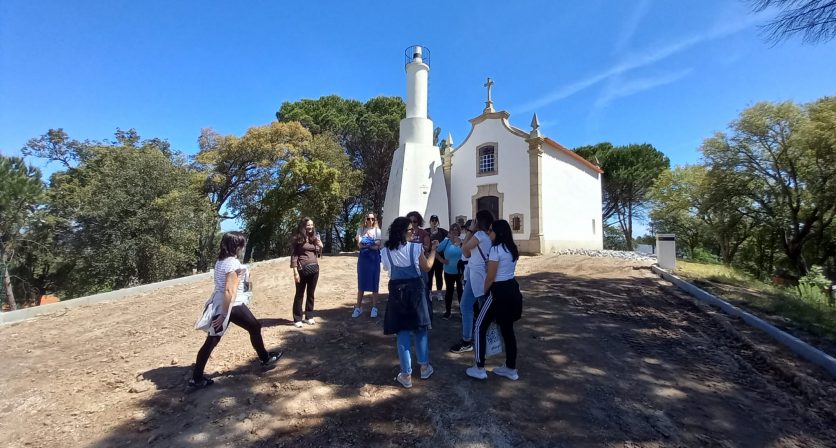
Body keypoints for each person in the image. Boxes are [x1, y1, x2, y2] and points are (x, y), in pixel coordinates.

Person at [191, 231, 282, 389]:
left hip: (223, 303)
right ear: (236, 245)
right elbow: (229, 291)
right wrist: (224, 315)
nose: (243, 246)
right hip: (231, 305)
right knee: (251, 327)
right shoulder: (232, 263)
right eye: (242, 243)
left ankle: (197, 377)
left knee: (214, 339)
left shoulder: (222, 261)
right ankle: (265, 359)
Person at [381, 216, 439, 388]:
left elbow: (387, 269)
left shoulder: (385, 251)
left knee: (402, 331)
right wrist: (434, 250)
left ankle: (406, 374)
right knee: (420, 329)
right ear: (401, 232)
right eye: (410, 230)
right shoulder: (415, 248)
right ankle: (424, 367)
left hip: (397, 292)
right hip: (415, 291)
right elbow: (427, 267)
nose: (413, 232)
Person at [467, 219, 523, 381]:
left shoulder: (496, 250)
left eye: (491, 230)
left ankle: (479, 367)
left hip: (498, 291)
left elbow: (490, 277)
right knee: (507, 330)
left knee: (479, 325)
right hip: (512, 289)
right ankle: (511, 368)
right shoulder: (511, 249)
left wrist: (484, 293)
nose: (489, 233)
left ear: (498, 232)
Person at [450, 211, 494, 353]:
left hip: (477, 276)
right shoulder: (489, 236)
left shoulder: (479, 235)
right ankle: (474, 338)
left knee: (472, 306)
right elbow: (468, 253)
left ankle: (471, 340)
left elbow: (464, 250)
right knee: (473, 306)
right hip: (480, 275)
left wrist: (469, 230)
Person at [290, 217, 323, 328]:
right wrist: (295, 272)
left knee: (311, 294)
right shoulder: (298, 238)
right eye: (308, 225)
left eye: (312, 225)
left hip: (314, 269)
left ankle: (309, 316)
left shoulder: (314, 238)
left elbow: (317, 253)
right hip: (301, 270)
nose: (311, 227)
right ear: (303, 226)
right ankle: (297, 319)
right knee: (299, 294)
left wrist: (319, 246)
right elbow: (294, 255)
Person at [353, 212, 382, 318]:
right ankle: (358, 307)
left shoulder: (377, 231)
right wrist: (371, 243)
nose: (370, 221)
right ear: (365, 219)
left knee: (374, 282)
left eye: (372, 219)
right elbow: (360, 245)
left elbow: (378, 245)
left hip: (374, 259)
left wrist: (367, 243)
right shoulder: (360, 230)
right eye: (369, 219)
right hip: (363, 259)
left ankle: (374, 308)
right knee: (361, 282)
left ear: (375, 220)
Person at [436, 222, 463, 320]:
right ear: (450, 231)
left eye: (457, 229)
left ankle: (462, 311)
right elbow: (436, 251)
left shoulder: (462, 242)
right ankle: (448, 312)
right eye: (453, 229)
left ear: (459, 231)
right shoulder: (446, 242)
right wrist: (442, 260)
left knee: (461, 292)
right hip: (448, 271)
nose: (455, 231)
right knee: (449, 292)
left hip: (460, 272)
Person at [426, 215, 448, 301]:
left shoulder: (442, 232)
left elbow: (448, 237)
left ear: (438, 222)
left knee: (439, 275)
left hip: (439, 258)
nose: (434, 222)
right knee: (429, 276)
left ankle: (439, 293)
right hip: (429, 258)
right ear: (430, 221)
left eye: (435, 220)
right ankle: (429, 293)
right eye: (432, 220)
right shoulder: (426, 231)